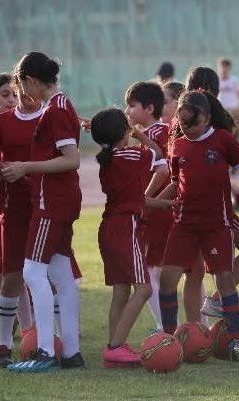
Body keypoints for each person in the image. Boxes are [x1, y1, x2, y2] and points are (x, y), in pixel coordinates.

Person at [156, 91, 239, 361]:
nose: (188, 129)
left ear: (207, 117)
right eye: (182, 123)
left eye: (194, 123)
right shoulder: (178, 145)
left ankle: (236, 339)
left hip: (217, 224)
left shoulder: (223, 140)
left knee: (224, 280)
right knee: (167, 280)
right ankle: (168, 338)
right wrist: (153, 203)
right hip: (185, 224)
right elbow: (175, 180)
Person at [2, 52, 84, 372]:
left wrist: (25, 167)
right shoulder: (58, 107)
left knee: (32, 272)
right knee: (61, 276)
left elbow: (71, 159)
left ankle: (45, 353)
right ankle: (72, 353)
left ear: (31, 81)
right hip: (59, 200)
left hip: (52, 201)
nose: (22, 93)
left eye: (22, 85)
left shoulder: (57, 108)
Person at [179, 67, 239, 323]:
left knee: (195, 274)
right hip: (209, 210)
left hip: (205, 209)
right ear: (216, 91)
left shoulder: (195, 124)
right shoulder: (216, 125)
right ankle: (208, 319)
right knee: (227, 263)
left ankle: (201, 323)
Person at [91, 107, 169, 368]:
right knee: (144, 288)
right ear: (124, 131)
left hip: (111, 227)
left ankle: (115, 345)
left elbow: (136, 198)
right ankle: (115, 347)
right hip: (126, 228)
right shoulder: (132, 154)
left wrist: (165, 204)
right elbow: (160, 155)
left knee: (121, 291)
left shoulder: (110, 158)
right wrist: (141, 134)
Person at [0, 77, 43, 367]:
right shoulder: (4, 125)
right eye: (5, 95)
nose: (12, 100)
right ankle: (5, 342)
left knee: (41, 273)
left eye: (14, 94)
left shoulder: (46, 118)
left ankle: (40, 336)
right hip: (11, 205)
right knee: (13, 273)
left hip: (42, 205)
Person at [124, 82, 171, 332]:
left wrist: (144, 200)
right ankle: (189, 326)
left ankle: (164, 327)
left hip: (154, 212)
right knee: (167, 272)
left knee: (147, 271)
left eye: (132, 106)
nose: (128, 111)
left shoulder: (154, 134)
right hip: (161, 210)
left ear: (150, 108)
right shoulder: (163, 131)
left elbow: (163, 169)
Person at [217, 57, 239, 136]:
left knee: (234, 131)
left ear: (229, 68)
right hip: (221, 109)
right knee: (223, 130)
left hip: (233, 108)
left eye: (226, 66)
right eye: (222, 66)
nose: (224, 69)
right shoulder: (217, 80)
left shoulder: (235, 80)